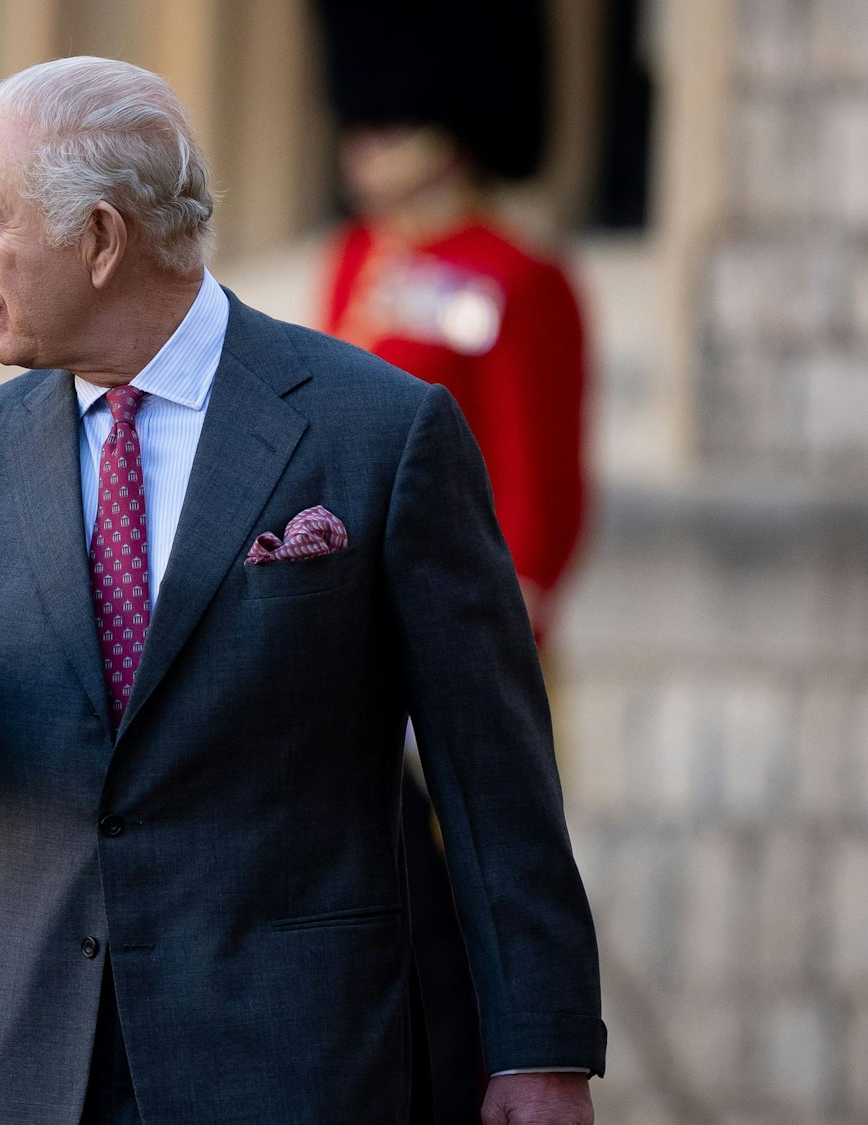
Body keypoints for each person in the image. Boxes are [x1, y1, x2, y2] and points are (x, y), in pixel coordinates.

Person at [0, 58, 604, 1124]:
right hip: (17, 1066)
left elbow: (492, 775)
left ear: (101, 242)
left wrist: (540, 1048)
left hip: (285, 1063)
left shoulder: (379, 434)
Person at [313, 5, 592, 1117]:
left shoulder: (518, 276)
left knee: (458, 935)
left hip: (452, 670)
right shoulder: (352, 264)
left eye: (392, 116)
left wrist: (460, 670)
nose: (369, 138)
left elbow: (539, 507)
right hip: (339, 653)